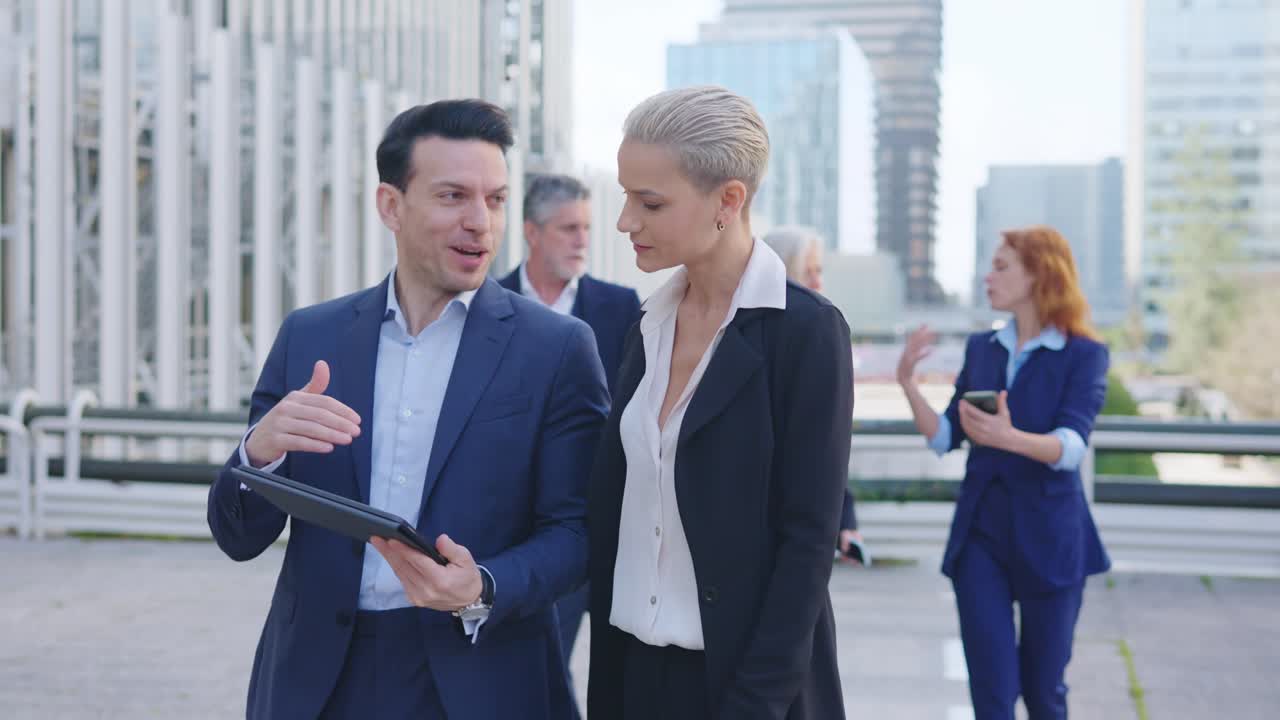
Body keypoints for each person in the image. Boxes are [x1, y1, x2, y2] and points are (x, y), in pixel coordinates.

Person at [207, 99, 609, 720]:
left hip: (483, 679)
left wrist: (484, 585)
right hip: (316, 682)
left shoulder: (556, 348)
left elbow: (579, 531)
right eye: (453, 196)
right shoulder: (311, 337)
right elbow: (237, 536)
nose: (480, 222)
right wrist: (259, 453)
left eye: (496, 199)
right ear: (391, 206)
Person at [587, 85, 852, 719]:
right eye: (626, 196)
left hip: (748, 688)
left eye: (650, 202)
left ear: (728, 201)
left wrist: (754, 706)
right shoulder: (645, 325)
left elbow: (808, 545)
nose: (626, 221)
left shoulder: (805, 332)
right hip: (631, 676)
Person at [895, 225, 1110, 719]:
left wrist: (1008, 439)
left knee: (1043, 692)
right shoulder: (983, 349)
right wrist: (908, 383)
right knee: (991, 694)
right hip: (982, 539)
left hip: (1052, 541)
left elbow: (1072, 447)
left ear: (1040, 274)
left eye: (1001, 266)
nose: (987, 276)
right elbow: (945, 437)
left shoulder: (1085, 354)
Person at [497, 172, 643, 716]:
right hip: (506, 526)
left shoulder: (620, 306)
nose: (582, 240)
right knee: (520, 665)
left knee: (584, 666)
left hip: (594, 522)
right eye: (568, 229)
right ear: (532, 233)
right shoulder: (485, 301)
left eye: (586, 227)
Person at [762, 225, 863, 563]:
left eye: (820, 272)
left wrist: (845, 521)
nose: (819, 282)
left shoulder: (821, 336)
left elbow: (825, 446)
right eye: (810, 272)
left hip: (797, 536)